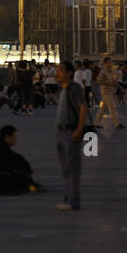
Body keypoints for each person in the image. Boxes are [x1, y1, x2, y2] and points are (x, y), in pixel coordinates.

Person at [54, 60, 87, 211]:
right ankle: (68, 198)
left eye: (60, 70)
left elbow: (83, 108)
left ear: (69, 73)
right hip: (61, 132)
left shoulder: (74, 88)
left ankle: (73, 201)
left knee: (72, 168)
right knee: (66, 168)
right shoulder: (63, 89)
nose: (57, 73)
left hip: (70, 131)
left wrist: (79, 129)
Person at [0, 125, 40, 193]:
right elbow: (19, 161)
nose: (16, 139)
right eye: (14, 136)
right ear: (7, 137)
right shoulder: (5, 150)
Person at [94, 57, 125, 129]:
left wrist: (121, 88)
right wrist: (108, 83)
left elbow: (113, 82)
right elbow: (98, 81)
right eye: (109, 62)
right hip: (105, 92)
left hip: (110, 91)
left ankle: (96, 123)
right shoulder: (103, 72)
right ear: (106, 63)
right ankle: (117, 124)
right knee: (112, 107)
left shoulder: (110, 71)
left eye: (111, 62)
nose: (111, 63)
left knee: (103, 109)